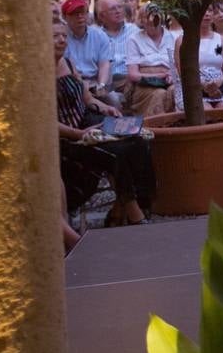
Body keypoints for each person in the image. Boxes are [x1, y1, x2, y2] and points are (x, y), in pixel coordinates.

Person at [54, 20, 154, 226]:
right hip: (66, 138)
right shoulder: (37, 74)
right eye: (55, 36)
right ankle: (135, 215)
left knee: (137, 140)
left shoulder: (69, 63)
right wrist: (79, 134)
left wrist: (104, 107)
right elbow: (46, 123)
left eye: (64, 35)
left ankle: (121, 207)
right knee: (116, 153)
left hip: (87, 121)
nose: (62, 40)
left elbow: (88, 100)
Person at [174, 3, 223, 112]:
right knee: (206, 111)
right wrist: (205, 86)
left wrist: (218, 82)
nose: (207, 14)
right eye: (202, 11)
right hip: (193, 88)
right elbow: (182, 72)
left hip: (219, 87)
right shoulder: (182, 40)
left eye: (210, 10)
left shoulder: (221, 39)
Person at [124, 4, 177, 116]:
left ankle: (176, 127)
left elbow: (180, 66)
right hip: (145, 84)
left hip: (170, 79)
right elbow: (133, 75)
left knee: (174, 91)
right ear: (141, 21)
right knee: (159, 93)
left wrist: (173, 75)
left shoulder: (173, 37)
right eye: (145, 17)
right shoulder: (134, 40)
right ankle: (156, 128)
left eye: (154, 16)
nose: (150, 20)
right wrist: (160, 75)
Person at [62, 0, 114, 104]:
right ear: (64, 17)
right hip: (71, 86)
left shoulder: (99, 35)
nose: (80, 16)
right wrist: (81, 87)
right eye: (74, 13)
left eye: (83, 12)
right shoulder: (61, 37)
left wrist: (101, 85)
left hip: (94, 83)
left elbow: (104, 64)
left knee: (114, 100)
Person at [93, 0, 138, 106]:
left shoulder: (134, 30)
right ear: (101, 16)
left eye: (119, 7)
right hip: (107, 81)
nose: (118, 11)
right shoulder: (96, 35)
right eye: (113, 9)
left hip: (129, 78)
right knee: (113, 100)